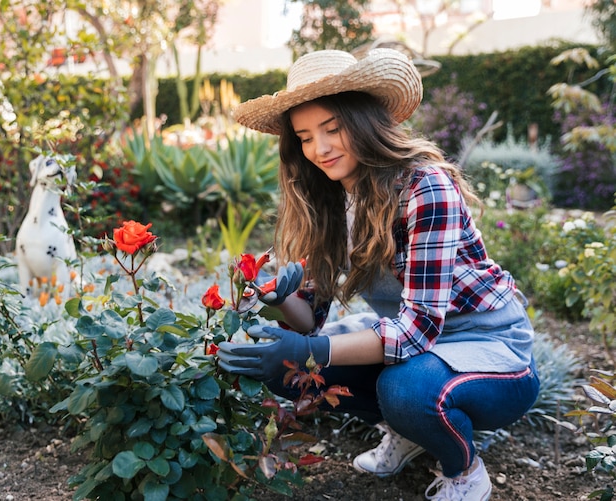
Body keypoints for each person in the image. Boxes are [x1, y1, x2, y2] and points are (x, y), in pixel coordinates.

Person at [217, 48, 540, 501]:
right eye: (305, 137)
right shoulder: (330, 201)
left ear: (366, 121)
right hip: (415, 344)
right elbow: (313, 321)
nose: (320, 149)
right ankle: (408, 432)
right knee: (284, 367)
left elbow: (416, 329)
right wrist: (277, 298)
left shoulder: (424, 187)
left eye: (333, 128)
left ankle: (463, 470)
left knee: (404, 388)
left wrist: (309, 350)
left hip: (488, 347)